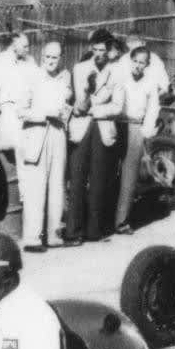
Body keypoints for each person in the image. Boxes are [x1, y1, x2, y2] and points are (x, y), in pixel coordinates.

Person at [64, 27, 118, 245]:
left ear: (109, 51)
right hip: (81, 126)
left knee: (98, 179)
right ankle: (72, 231)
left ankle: (94, 230)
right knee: (76, 178)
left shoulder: (117, 72)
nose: (98, 54)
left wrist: (94, 108)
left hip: (103, 126)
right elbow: (79, 101)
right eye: (95, 49)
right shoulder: (79, 69)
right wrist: (87, 93)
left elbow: (117, 105)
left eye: (102, 50)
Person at [19, 40, 71, 252]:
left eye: (55, 58)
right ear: (42, 57)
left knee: (57, 185)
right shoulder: (32, 77)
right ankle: (32, 238)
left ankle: (54, 235)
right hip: (37, 133)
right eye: (48, 57)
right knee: (35, 188)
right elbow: (21, 110)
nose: (51, 61)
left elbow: (67, 106)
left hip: (57, 133)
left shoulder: (64, 78)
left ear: (60, 59)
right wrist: (45, 114)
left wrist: (64, 114)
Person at [114, 41, 170, 233]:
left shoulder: (150, 83)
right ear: (130, 61)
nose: (137, 66)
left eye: (142, 63)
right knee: (112, 172)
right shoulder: (121, 77)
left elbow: (153, 109)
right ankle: (106, 216)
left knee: (129, 176)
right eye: (135, 61)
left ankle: (122, 221)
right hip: (116, 125)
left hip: (136, 127)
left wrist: (145, 131)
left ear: (147, 65)